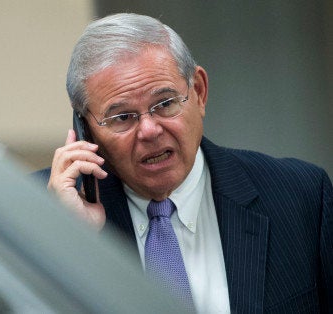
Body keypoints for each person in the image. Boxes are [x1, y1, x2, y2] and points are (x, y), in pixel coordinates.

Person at [44, 13, 331, 313]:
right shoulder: (48, 209)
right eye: (122, 117)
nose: (150, 130)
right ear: (86, 129)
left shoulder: (301, 196)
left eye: (165, 104)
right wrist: (64, 239)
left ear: (199, 92)